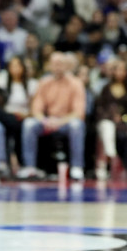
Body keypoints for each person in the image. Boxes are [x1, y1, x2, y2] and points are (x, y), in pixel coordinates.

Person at [17, 52, 87, 181]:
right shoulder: (44, 82)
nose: (58, 67)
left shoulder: (76, 83)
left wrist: (59, 122)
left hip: (66, 122)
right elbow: (36, 109)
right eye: (54, 64)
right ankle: (30, 167)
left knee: (77, 125)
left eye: (60, 64)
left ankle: (77, 167)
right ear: (49, 66)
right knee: (29, 124)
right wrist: (44, 120)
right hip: (47, 121)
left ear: (66, 66)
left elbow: (79, 112)